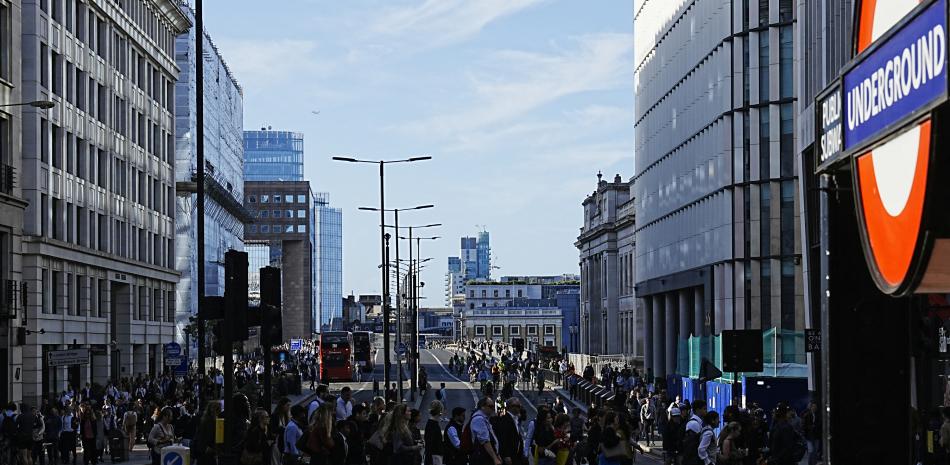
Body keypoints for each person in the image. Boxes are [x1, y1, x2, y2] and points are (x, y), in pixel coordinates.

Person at [470, 397, 502, 465]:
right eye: (490, 406)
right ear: (483, 407)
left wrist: (497, 454)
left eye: (494, 406)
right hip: (482, 458)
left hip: (486, 457)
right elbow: (485, 441)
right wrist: (495, 458)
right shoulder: (479, 419)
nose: (493, 409)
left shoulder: (485, 419)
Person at [492, 398, 524, 465]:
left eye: (520, 406)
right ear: (510, 407)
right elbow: (502, 437)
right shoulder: (505, 419)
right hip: (509, 456)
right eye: (518, 406)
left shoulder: (515, 418)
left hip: (515, 455)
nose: (519, 408)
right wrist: (506, 455)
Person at [424, 401, 445, 465]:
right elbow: (431, 442)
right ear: (440, 410)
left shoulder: (432, 423)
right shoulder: (433, 424)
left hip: (433, 456)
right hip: (434, 457)